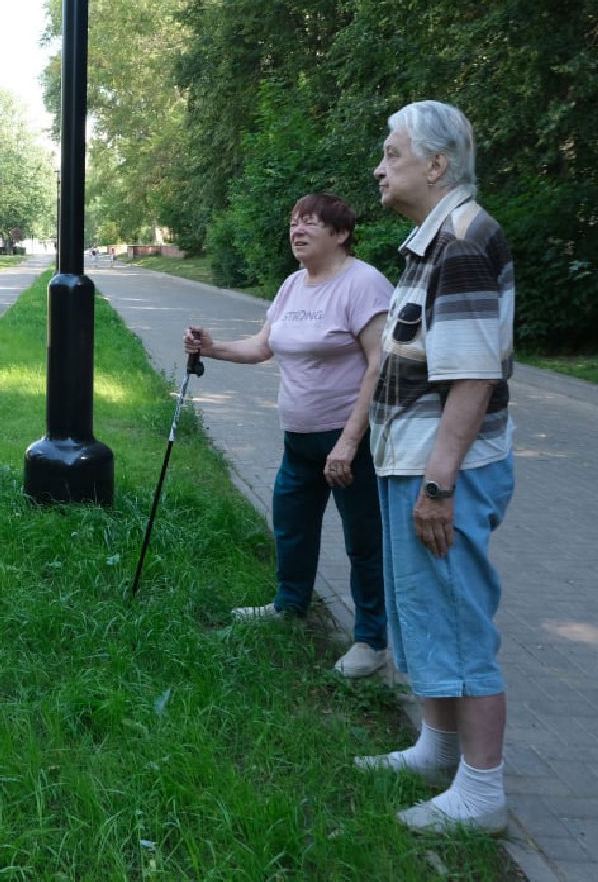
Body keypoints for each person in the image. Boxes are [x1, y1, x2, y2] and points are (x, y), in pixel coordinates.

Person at [354, 101, 516, 836]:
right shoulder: (431, 242)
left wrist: (437, 486)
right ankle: (436, 748)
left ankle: (481, 793)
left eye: (391, 154)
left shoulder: (462, 241)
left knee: (456, 619)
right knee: (425, 617)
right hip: (413, 465)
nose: (378, 167)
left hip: (441, 472)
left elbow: (473, 379)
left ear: (435, 165)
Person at [184, 193, 392, 679]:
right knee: (292, 526)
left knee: (364, 540)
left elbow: (380, 367)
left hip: (347, 441)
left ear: (341, 234)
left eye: (311, 224)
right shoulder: (294, 285)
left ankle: (371, 639)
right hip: (297, 439)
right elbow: (262, 346)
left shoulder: (363, 284)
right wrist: (211, 348)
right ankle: (289, 606)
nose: (297, 231)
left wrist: (348, 441)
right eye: (294, 223)